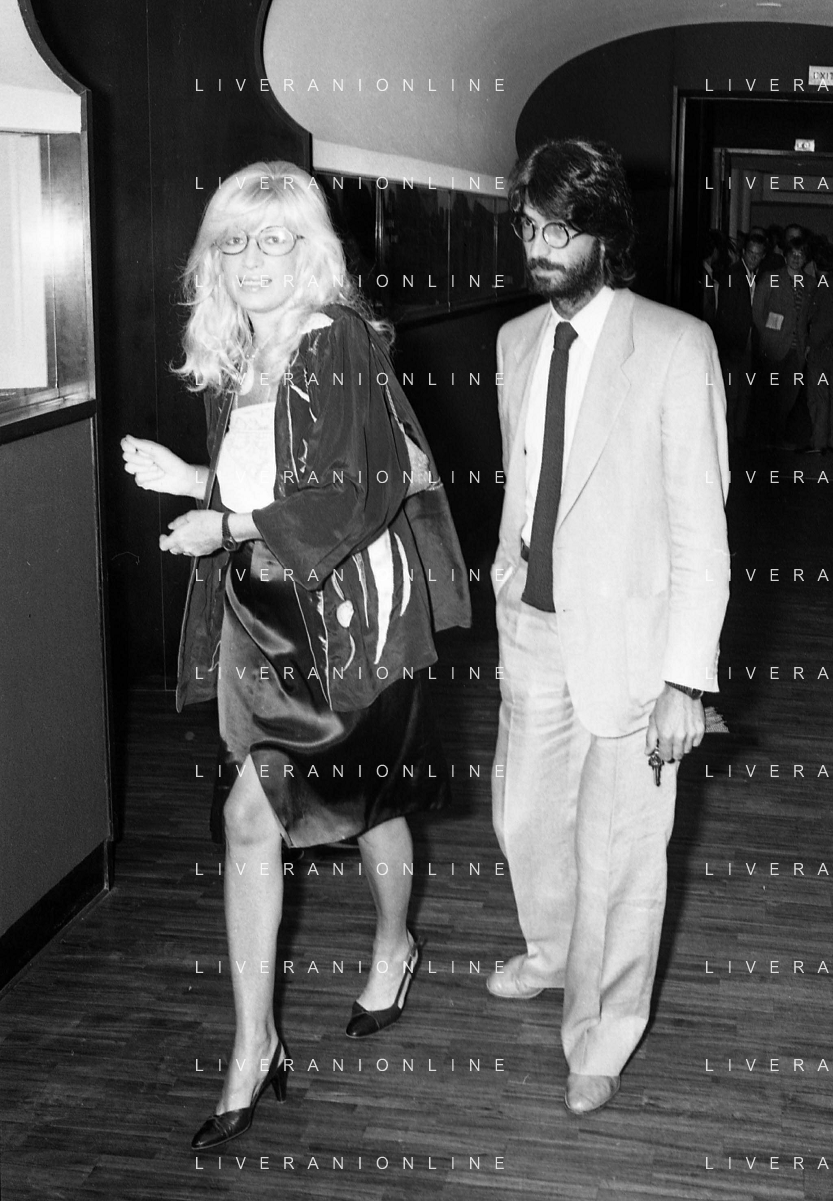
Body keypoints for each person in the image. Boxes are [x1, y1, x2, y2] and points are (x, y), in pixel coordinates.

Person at [121, 160, 470, 1149]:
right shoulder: (247, 353)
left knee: (366, 803)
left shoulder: (334, 339)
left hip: (347, 620)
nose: (251, 260)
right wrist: (191, 478)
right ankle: (255, 1042)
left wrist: (223, 526)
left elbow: (348, 496)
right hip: (267, 618)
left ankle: (393, 942)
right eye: (233, 241)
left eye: (273, 240)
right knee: (262, 817)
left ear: (310, 250)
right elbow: (271, 477)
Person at [487, 138, 730, 1116]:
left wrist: (686, 680)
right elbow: (525, 486)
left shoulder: (673, 345)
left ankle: (600, 1030)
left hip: (632, 647)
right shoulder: (513, 342)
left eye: (559, 230)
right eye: (528, 228)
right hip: (532, 628)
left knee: (619, 852)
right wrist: (506, 580)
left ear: (604, 235)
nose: (538, 248)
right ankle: (552, 952)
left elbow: (700, 531)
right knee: (523, 819)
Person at [752, 235, 815, 446]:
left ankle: (778, 436)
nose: (796, 258)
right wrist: (768, 336)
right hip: (774, 348)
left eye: (800, 255)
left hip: (797, 350)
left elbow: (810, 317)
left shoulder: (810, 283)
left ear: (805, 259)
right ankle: (770, 439)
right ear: (785, 256)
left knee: (790, 396)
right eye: (792, 254)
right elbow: (757, 311)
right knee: (771, 396)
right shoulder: (771, 278)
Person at [713, 231, 766, 444]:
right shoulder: (733, 274)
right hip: (734, 344)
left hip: (750, 342)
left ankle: (739, 436)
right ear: (743, 252)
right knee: (732, 394)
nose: (753, 257)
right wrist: (729, 346)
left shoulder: (759, 276)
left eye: (758, 254)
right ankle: (728, 439)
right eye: (750, 253)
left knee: (745, 392)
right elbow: (725, 314)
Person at [806, 240, 833, 453]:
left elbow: (821, 325)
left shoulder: (823, 288)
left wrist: (809, 345)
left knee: (819, 398)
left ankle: (818, 442)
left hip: (821, 353)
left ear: (815, 264)